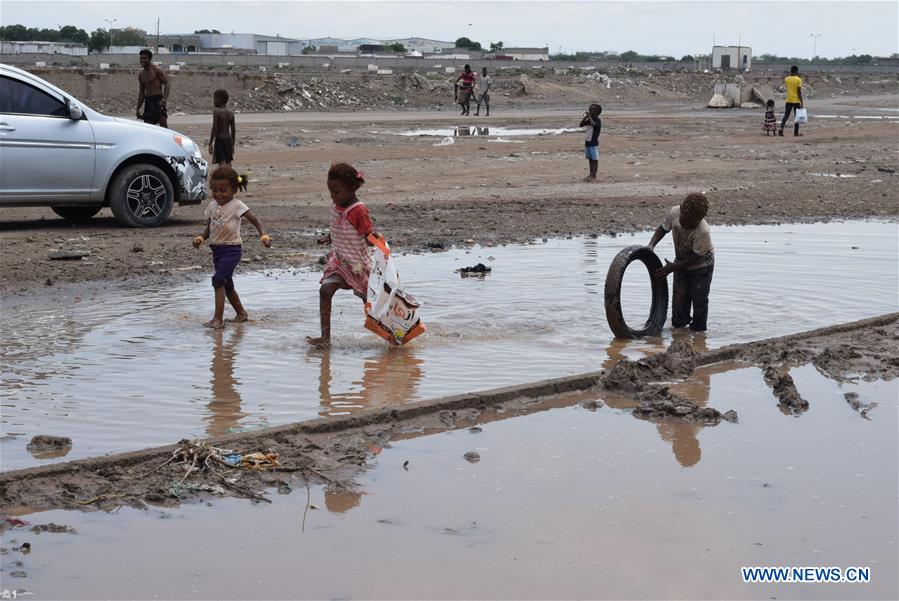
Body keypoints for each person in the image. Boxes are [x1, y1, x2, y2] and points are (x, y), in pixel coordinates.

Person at [307, 163, 380, 348]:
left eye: (337, 192)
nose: (333, 196)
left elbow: (368, 235)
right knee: (325, 291)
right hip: (339, 263)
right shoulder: (336, 206)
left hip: (358, 266)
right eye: (330, 192)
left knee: (370, 303)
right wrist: (329, 237)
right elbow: (339, 227)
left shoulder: (359, 210)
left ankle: (386, 334)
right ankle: (325, 338)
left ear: (352, 187)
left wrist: (376, 240)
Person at [192, 166, 271, 329]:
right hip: (217, 251)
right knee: (227, 285)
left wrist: (263, 235)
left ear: (234, 190)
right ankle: (241, 313)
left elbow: (255, 220)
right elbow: (209, 228)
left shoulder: (237, 205)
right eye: (215, 190)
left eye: (223, 190)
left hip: (232, 250)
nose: (218, 194)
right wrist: (201, 238)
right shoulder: (212, 206)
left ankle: (217, 320)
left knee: (218, 280)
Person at [648, 192, 715, 332]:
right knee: (679, 298)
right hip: (680, 262)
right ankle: (679, 327)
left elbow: (697, 257)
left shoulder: (703, 231)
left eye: (691, 224)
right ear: (681, 209)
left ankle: (699, 331)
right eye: (684, 221)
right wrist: (651, 245)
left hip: (702, 266)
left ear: (700, 219)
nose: (686, 226)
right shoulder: (674, 212)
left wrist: (673, 267)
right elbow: (663, 228)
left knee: (699, 299)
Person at [136, 49, 169, 127]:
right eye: (141, 58)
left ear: (150, 59)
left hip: (158, 100)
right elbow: (141, 93)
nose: (142, 60)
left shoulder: (156, 70)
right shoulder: (141, 74)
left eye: (144, 58)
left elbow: (167, 84)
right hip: (148, 101)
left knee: (163, 126)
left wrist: (164, 100)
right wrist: (138, 109)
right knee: (148, 127)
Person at [208, 89, 236, 167]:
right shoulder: (231, 113)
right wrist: (232, 145)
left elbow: (215, 128)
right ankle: (230, 174)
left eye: (214, 98)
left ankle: (223, 174)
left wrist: (210, 143)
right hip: (228, 140)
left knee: (221, 162)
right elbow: (233, 130)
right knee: (228, 162)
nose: (213, 101)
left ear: (220, 99)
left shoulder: (216, 111)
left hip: (220, 139)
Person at [579, 103, 602, 182]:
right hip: (588, 142)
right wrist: (585, 117)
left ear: (596, 112)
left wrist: (589, 117)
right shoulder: (589, 119)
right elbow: (581, 125)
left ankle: (594, 175)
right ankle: (590, 174)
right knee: (590, 159)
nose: (589, 111)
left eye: (591, 110)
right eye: (589, 110)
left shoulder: (597, 120)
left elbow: (594, 125)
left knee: (594, 159)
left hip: (593, 142)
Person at [779, 65, 803, 137]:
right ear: (796, 71)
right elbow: (799, 91)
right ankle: (796, 132)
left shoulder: (786, 79)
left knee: (786, 115)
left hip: (788, 99)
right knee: (796, 117)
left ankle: (781, 128)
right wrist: (801, 101)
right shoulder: (799, 80)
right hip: (796, 100)